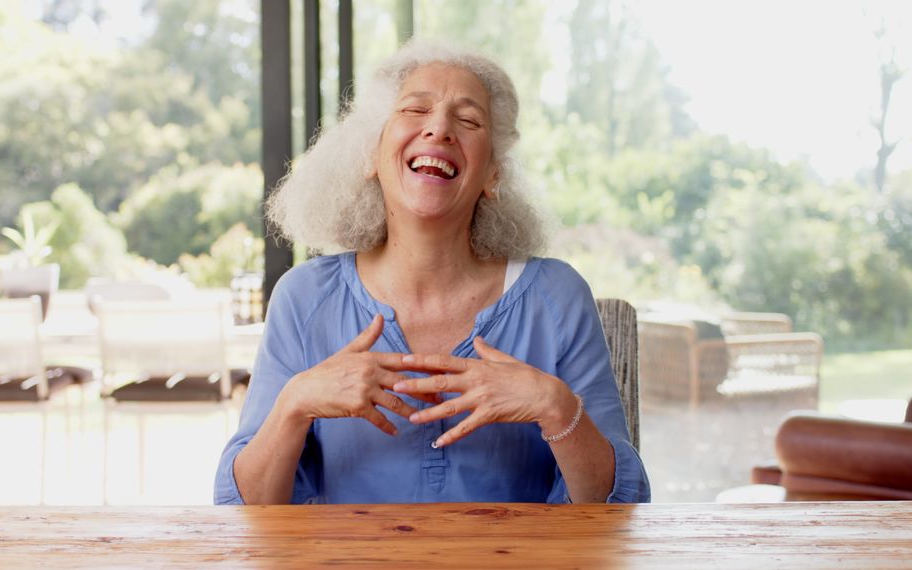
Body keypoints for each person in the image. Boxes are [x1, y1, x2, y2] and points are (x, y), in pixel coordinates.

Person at [214, 40, 650, 505]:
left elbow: (620, 509)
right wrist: (295, 404)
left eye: (468, 120)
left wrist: (556, 407)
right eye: (415, 109)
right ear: (370, 155)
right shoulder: (303, 296)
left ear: (492, 176)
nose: (439, 128)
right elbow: (246, 511)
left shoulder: (558, 295)